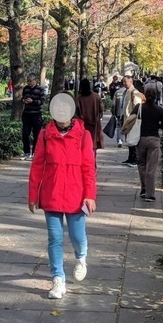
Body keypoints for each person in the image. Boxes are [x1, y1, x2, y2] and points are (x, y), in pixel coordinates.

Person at [28, 94, 97, 300]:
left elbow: (89, 168)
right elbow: (37, 166)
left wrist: (90, 195)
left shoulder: (83, 135)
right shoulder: (45, 134)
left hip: (76, 195)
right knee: (55, 239)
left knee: (77, 236)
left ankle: (81, 256)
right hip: (52, 193)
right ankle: (58, 278)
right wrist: (33, 195)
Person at [137, 83, 163, 201]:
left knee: (141, 165)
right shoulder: (159, 110)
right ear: (156, 97)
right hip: (154, 139)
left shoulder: (139, 108)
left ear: (144, 95)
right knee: (151, 167)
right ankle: (150, 194)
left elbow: (131, 120)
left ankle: (144, 188)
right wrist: (156, 124)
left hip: (141, 139)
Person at [73, 78, 104, 153]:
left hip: (82, 125)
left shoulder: (79, 98)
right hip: (95, 125)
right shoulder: (96, 96)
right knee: (93, 145)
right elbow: (101, 108)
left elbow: (76, 111)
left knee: (83, 144)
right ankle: (93, 162)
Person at [19, 75, 46, 160]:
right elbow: (23, 97)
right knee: (25, 134)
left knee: (36, 134)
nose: (29, 83)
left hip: (36, 114)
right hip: (27, 114)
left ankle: (34, 152)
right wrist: (23, 100)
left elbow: (42, 101)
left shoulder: (40, 89)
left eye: (31, 81)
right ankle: (26, 152)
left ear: (35, 80)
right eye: (28, 81)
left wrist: (33, 101)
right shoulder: (26, 88)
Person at [121, 76, 145, 166]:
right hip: (127, 118)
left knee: (133, 139)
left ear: (130, 82)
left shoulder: (134, 92)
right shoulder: (127, 91)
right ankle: (130, 157)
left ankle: (135, 159)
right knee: (129, 139)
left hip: (132, 119)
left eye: (125, 82)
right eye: (123, 82)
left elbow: (137, 106)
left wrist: (133, 117)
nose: (123, 83)